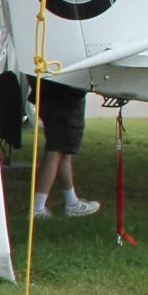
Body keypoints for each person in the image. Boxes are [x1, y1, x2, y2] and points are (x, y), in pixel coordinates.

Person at [29, 78, 99, 218]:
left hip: (50, 97)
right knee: (55, 151)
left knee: (64, 152)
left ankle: (71, 202)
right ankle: (37, 209)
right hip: (64, 101)